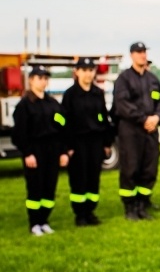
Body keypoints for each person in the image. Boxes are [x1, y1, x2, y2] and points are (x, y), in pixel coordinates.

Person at [12, 65, 69, 235]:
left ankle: (44, 220)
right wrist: (27, 153)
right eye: (39, 78)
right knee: (35, 188)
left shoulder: (52, 104)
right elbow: (19, 133)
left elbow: (62, 127)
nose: (43, 82)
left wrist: (63, 151)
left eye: (45, 78)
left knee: (49, 187)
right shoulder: (25, 105)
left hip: (52, 150)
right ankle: (34, 223)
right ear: (31, 80)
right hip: (34, 152)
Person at [113, 41, 160, 221]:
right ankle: (130, 207)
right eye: (139, 52)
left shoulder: (152, 80)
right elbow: (122, 104)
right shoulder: (124, 79)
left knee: (149, 169)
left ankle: (142, 205)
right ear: (132, 55)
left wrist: (156, 117)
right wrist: (143, 119)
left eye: (144, 51)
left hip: (150, 131)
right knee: (130, 168)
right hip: (131, 130)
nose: (142, 55)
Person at [61, 57, 113, 226]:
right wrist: (67, 146)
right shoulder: (70, 94)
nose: (88, 74)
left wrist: (106, 143)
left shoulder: (97, 93)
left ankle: (90, 211)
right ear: (77, 72)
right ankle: (80, 214)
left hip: (96, 142)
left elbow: (103, 118)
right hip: (77, 143)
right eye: (84, 70)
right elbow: (65, 122)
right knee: (79, 178)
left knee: (93, 178)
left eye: (91, 70)